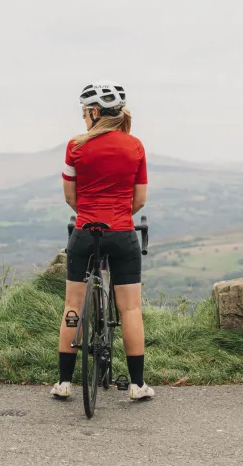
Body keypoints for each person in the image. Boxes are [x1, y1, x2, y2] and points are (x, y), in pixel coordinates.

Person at [51, 79, 154, 401]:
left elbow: (71, 196)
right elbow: (139, 200)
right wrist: (117, 214)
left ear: (94, 111)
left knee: (72, 305)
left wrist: (90, 213)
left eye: (85, 112)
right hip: (122, 233)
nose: (84, 117)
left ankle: (64, 383)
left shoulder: (75, 146)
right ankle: (137, 385)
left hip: (84, 233)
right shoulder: (134, 146)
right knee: (131, 309)